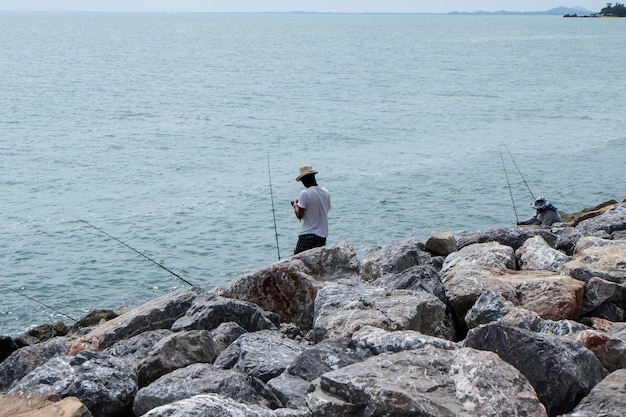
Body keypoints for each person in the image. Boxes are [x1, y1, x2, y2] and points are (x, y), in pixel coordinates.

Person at [291, 165, 331, 255]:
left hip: (307, 235)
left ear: (304, 180)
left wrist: (295, 204)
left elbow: (299, 215)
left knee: (297, 259)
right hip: (322, 236)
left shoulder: (305, 193)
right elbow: (325, 210)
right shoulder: (326, 192)